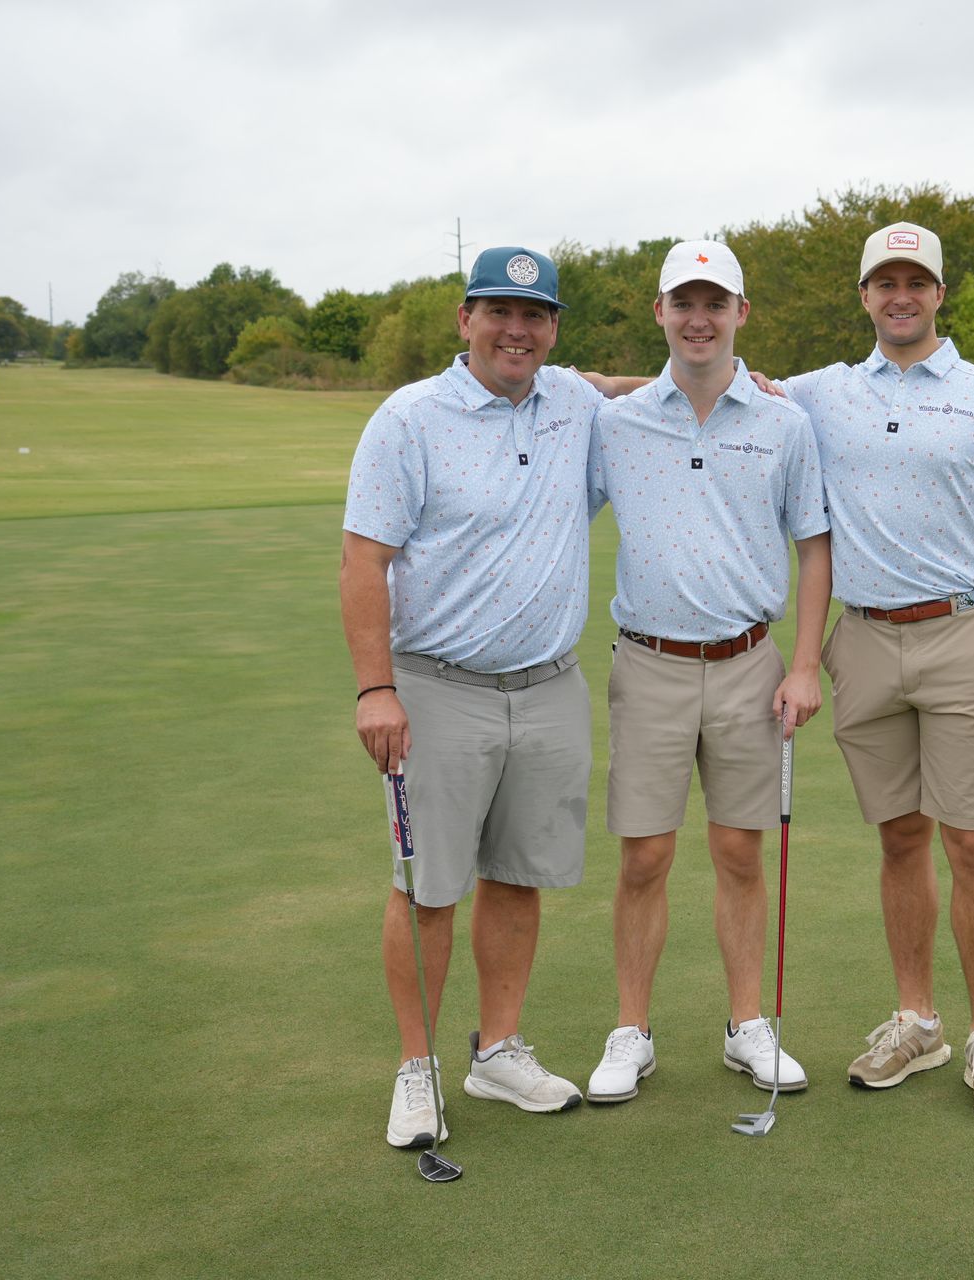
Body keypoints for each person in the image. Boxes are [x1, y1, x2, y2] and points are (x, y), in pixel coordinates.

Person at [342, 245, 634, 1149]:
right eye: (499, 313)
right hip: (435, 688)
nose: (517, 330)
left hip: (550, 686)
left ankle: (498, 1048)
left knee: (518, 880)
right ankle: (417, 1068)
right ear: (465, 319)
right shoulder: (409, 418)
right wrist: (376, 688)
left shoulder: (573, 402)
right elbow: (364, 561)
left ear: (552, 328)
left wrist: (738, 373)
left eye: (535, 316)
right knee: (428, 887)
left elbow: (622, 386)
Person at [778, 221, 974, 1116]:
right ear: (863, 295)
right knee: (899, 838)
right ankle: (917, 1019)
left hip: (962, 635)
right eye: (883, 282)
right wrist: (586, 387)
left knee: (971, 842)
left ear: (940, 294)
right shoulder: (822, 392)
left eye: (917, 282)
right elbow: (713, 383)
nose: (900, 295)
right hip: (861, 639)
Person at [582, 240, 831, 1104]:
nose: (699, 318)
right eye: (682, 302)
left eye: (714, 303)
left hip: (748, 664)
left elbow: (814, 544)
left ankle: (746, 1026)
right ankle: (631, 1030)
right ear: (659, 313)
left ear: (740, 315)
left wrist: (804, 663)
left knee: (738, 851)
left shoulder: (783, 422)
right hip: (648, 662)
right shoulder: (613, 422)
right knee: (644, 856)